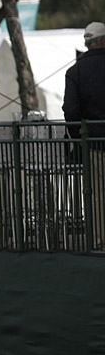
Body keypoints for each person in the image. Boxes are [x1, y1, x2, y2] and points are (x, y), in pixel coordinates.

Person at [64, 22, 105, 248]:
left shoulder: (75, 71)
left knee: (97, 193)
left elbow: (70, 110)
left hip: (93, 142)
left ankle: (99, 241)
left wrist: (78, 137)